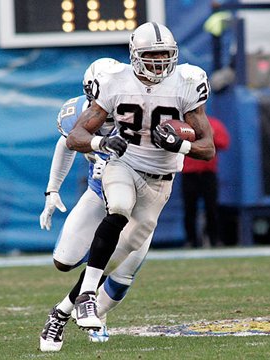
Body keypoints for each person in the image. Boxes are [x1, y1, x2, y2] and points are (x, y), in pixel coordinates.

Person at [66, 21, 216, 330]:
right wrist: (102, 142)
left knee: (125, 250)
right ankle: (86, 298)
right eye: (152, 55)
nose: (160, 62)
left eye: (165, 55)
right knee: (118, 208)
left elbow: (208, 148)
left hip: (160, 179)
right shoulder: (113, 81)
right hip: (124, 163)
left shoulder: (188, 82)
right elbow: (75, 136)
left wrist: (181, 144)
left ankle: (66, 306)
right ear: (135, 55)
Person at [39, 58, 153, 352]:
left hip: (140, 202)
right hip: (97, 194)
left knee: (120, 273)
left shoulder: (144, 108)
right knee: (64, 261)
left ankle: (73, 314)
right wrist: (52, 190)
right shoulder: (78, 111)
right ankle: (69, 309)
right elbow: (66, 143)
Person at [181, 115, 230, 248]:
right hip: (189, 173)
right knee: (189, 208)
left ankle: (214, 239)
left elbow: (224, 142)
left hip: (208, 173)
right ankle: (191, 240)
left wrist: (210, 137)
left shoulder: (213, 123)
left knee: (211, 207)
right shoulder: (184, 126)